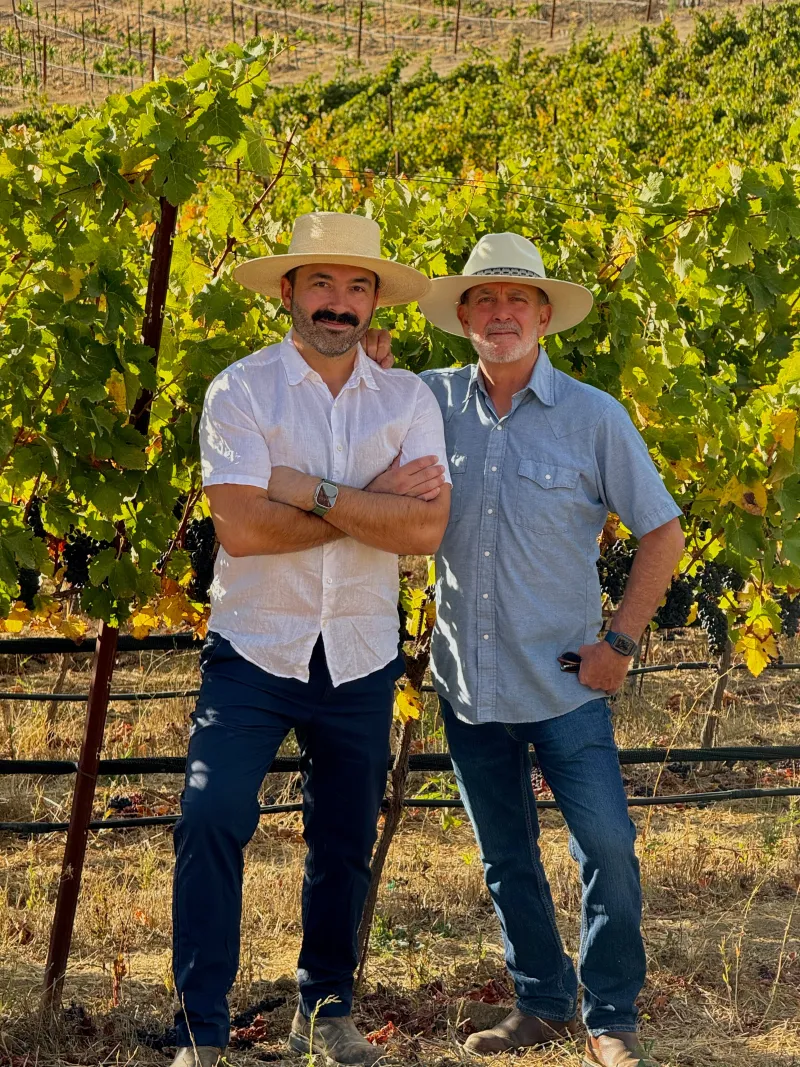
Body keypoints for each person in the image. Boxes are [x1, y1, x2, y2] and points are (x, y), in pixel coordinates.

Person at [365, 232, 685, 1067]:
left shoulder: (593, 416)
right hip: (470, 686)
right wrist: (365, 370)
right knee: (507, 860)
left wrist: (620, 640)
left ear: (544, 315)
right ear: (463, 316)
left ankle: (611, 1014)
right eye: (483, 299)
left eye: (517, 300)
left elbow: (663, 530)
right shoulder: (423, 402)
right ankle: (542, 999)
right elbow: (352, 433)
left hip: (569, 683)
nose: (500, 313)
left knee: (607, 847)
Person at [170, 212, 452, 1067]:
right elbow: (245, 529)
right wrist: (368, 500)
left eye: (356, 286)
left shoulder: (409, 398)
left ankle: (325, 1007)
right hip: (255, 647)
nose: (338, 303)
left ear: (374, 302)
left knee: (342, 837)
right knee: (210, 815)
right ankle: (201, 1032)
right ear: (288, 292)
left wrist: (312, 490)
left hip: (359, 653)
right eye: (321, 285)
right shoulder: (241, 391)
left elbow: (428, 527)